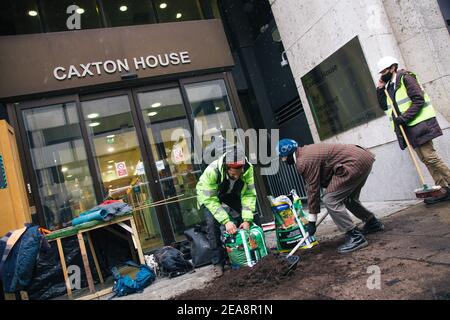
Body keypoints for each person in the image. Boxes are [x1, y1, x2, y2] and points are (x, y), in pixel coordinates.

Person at [276, 139, 385, 254]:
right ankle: (372, 223)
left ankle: (355, 237)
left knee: (330, 199)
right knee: (347, 198)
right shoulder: (305, 152)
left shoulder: (303, 161)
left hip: (353, 163)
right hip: (363, 157)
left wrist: (312, 222)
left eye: (282, 157)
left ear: (286, 154)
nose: (282, 160)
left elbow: (313, 190)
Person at [376, 56, 450, 204]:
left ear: (393, 68)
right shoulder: (389, 86)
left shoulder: (406, 78)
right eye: (381, 72)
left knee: (430, 157)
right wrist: (379, 89)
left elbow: (418, 99)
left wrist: (404, 117)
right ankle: (443, 189)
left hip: (419, 124)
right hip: (408, 129)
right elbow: (384, 106)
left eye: (384, 71)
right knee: (426, 160)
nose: (382, 74)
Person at [196, 147, 257, 276]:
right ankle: (218, 261)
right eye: (234, 174)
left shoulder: (247, 169)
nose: (237, 176)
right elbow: (211, 200)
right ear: (226, 168)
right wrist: (227, 221)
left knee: (250, 217)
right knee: (212, 225)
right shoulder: (212, 172)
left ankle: (255, 248)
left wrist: (246, 220)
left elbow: (249, 195)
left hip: (230, 193)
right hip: (209, 196)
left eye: (239, 174)